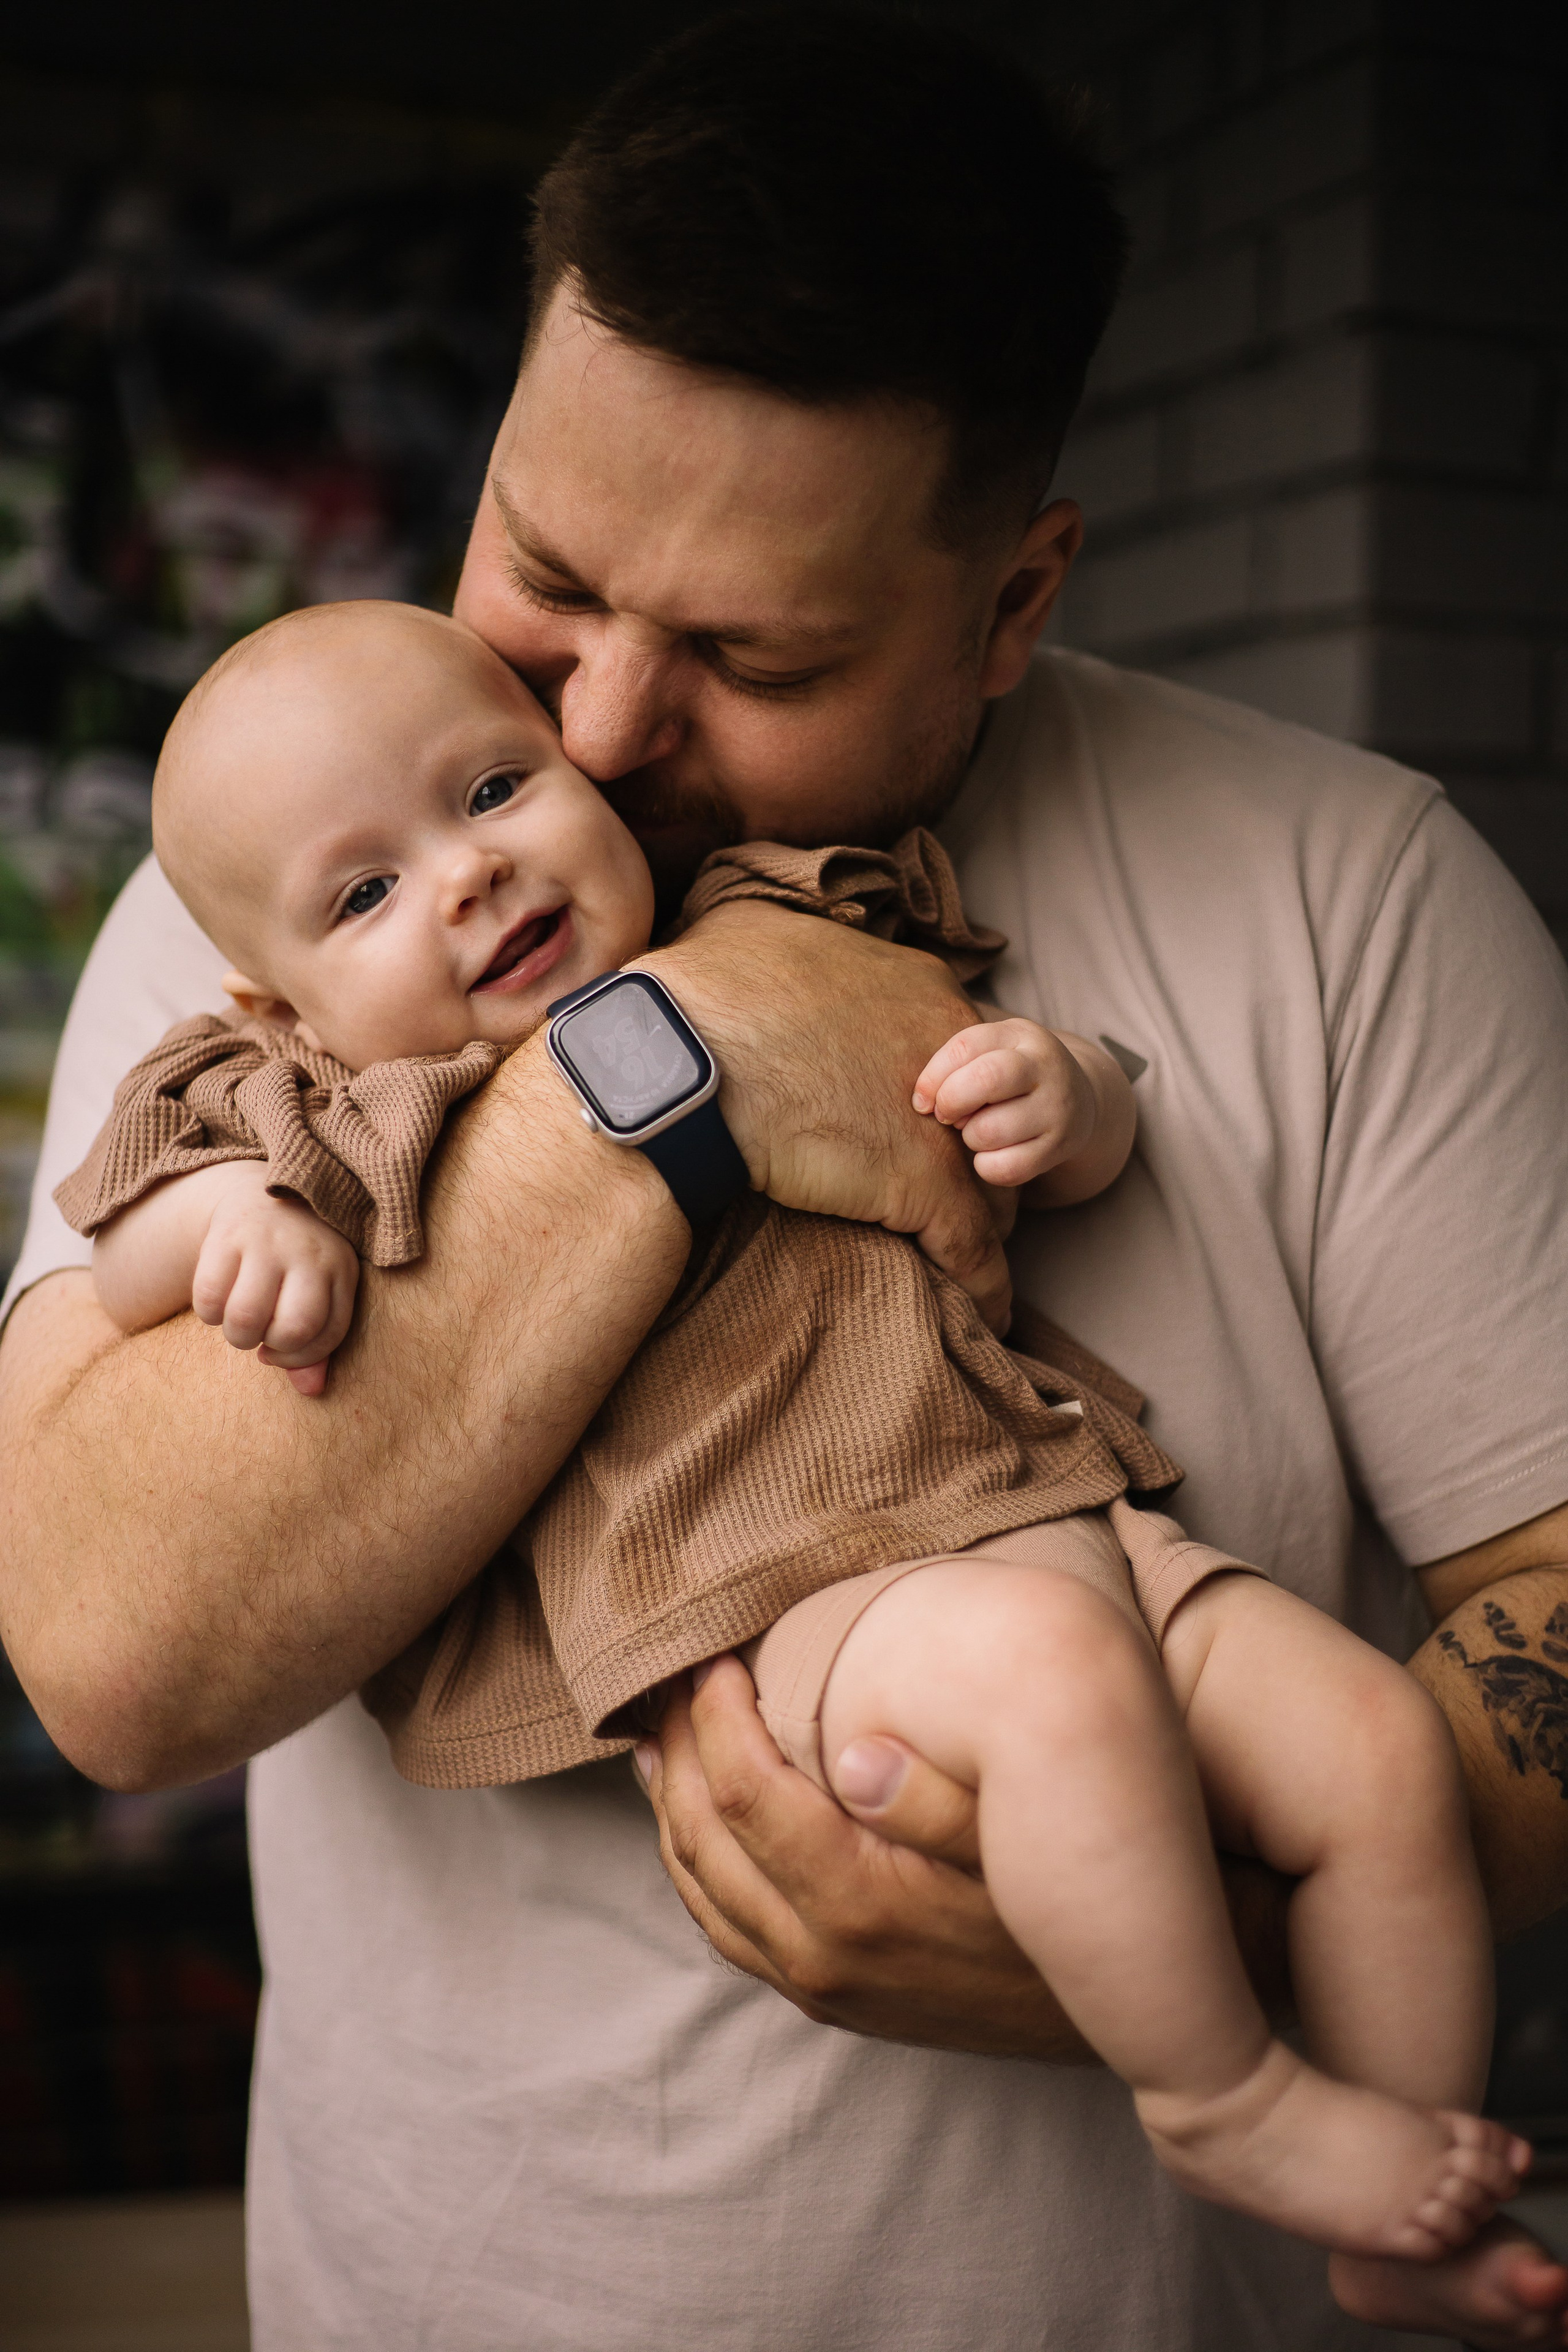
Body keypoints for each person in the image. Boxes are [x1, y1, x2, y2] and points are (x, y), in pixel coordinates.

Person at [2, 12, 1566, 2349]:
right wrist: (690, 1056)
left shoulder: (1355, 894)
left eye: (756, 650)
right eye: (545, 566)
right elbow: (112, 1657)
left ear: (1013, 602)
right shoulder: (285, 903)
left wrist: (1176, 1949)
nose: (598, 735)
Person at [58, 597, 1531, 2312]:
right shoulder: (295, 1093)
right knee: (1059, 1681)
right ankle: (1226, 2101)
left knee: (1378, 1744)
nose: (464, 877)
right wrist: (236, 1229)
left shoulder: (761, 913)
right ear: (275, 995)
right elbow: (125, 1251)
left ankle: (1404, 2213)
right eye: (365, 893)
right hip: (791, 1588)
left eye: (492, 792)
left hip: (1034, 1483)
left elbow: (992, 1037)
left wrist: (1072, 1093)